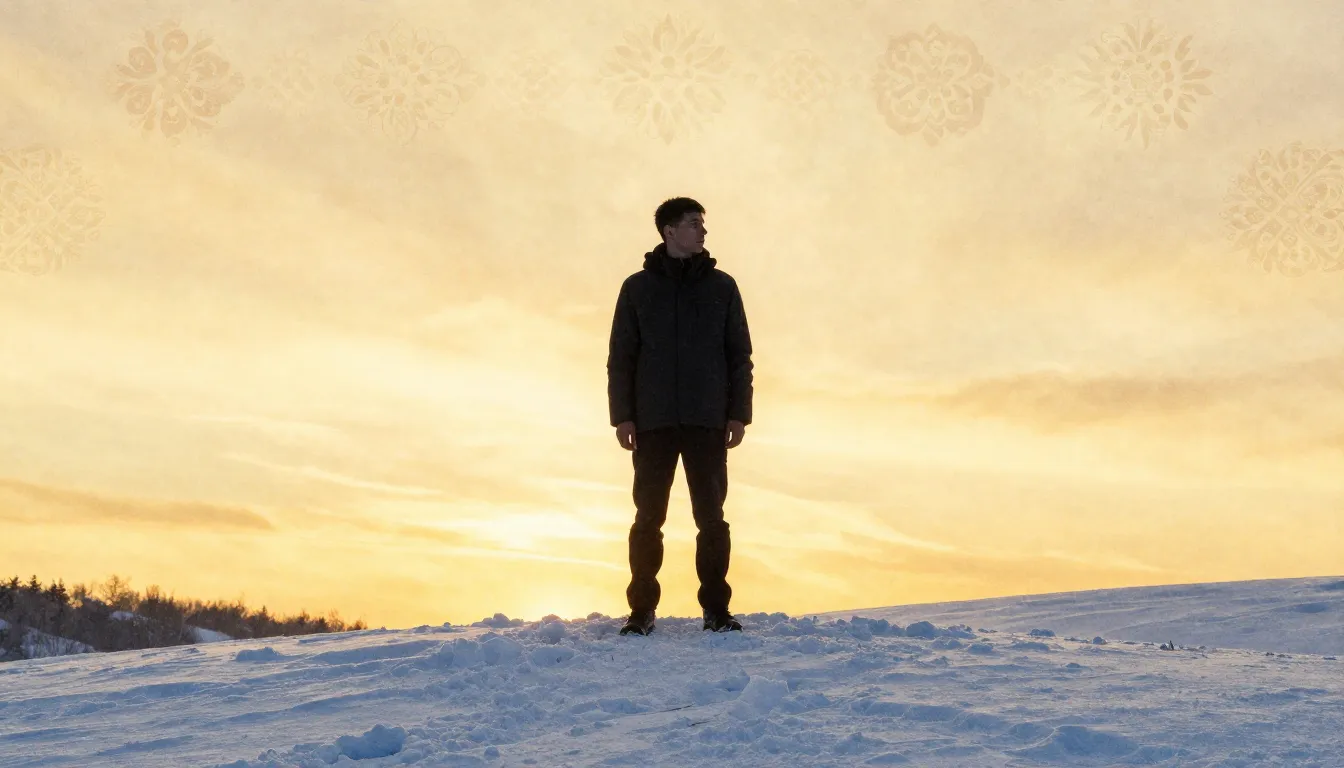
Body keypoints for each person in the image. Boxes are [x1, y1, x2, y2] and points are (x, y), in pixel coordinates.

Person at [606, 197, 754, 635]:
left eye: (702, 224)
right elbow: (621, 357)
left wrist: (738, 414)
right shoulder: (637, 288)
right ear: (669, 231)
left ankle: (717, 611)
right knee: (648, 519)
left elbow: (739, 356)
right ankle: (641, 612)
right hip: (652, 422)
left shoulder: (723, 287)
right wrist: (623, 416)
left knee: (712, 519)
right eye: (694, 224)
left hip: (708, 420)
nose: (703, 231)